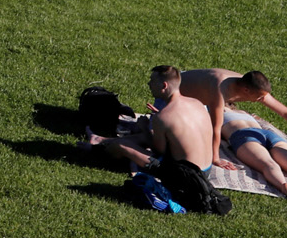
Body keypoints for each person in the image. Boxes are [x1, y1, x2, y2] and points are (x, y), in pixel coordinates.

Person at [176, 67, 287, 167]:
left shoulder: (251, 86)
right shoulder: (220, 89)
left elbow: (286, 113)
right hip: (177, 92)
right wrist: (215, 158)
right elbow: (216, 127)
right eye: (258, 98)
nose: (260, 101)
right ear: (246, 90)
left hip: (200, 95)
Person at [82, 65, 219, 178]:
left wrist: (145, 128)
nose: (149, 84)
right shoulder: (197, 103)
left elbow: (158, 152)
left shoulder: (164, 117)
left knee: (122, 145)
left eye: (152, 81)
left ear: (164, 86)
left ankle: (96, 151)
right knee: (148, 137)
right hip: (206, 169)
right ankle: (101, 140)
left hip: (185, 176)